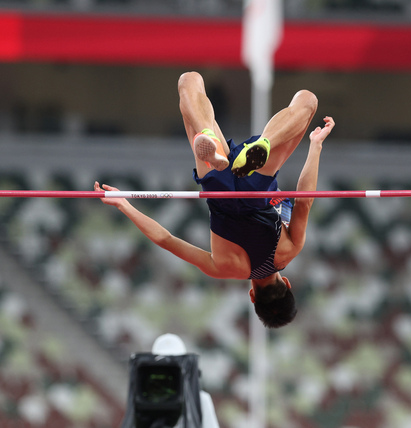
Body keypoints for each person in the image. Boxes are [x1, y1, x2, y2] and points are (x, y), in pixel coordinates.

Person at [95, 71, 335, 328]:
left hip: (256, 186)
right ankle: (208, 135)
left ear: (287, 283)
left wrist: (315, 145)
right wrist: (124, 204)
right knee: (188, 83)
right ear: (253, 296)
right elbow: (165, 240)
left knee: (307, 101)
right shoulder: (224, 268)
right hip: (218, 190)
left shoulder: (291, 249)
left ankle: (264, 141)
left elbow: (305, 200)